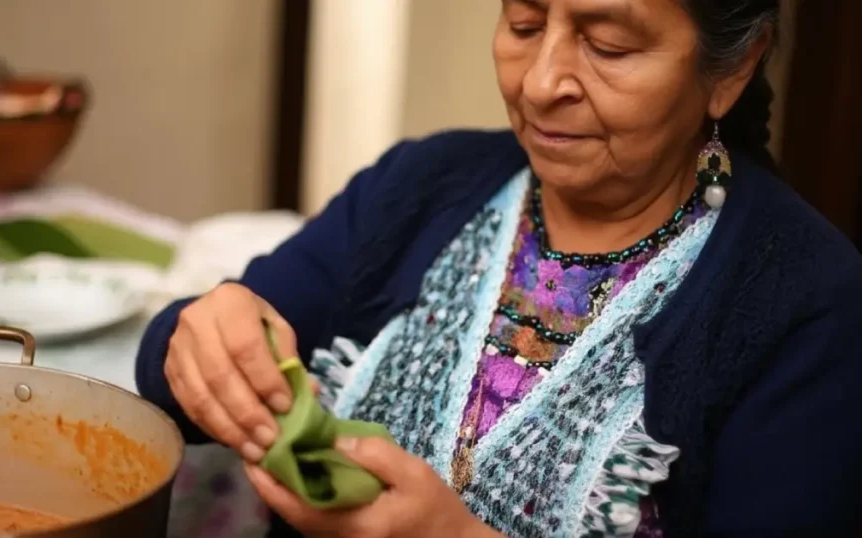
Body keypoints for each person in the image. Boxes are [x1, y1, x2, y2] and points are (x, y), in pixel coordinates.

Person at [136, 0, 862, 536]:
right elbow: (166, 379)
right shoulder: (420, 187)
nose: (541, 82)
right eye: (522, 24)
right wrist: (199, 332)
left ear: (731, 69)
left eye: (607, 46)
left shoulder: (806, 299)